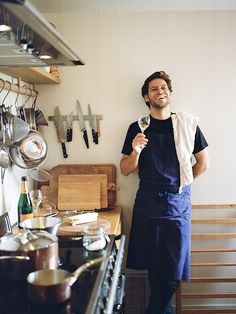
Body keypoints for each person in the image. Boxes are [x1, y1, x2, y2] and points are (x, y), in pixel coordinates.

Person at [120, 71, 209, 314]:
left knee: (171, 271)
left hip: (177, 205)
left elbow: (203, 163)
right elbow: (125, 169)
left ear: (170, 92)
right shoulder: (137, 128)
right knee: (154, 269)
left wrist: (181, 185)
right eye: (154, 89)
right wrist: (136, 150)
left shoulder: (187, 125)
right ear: (146, 97)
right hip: (147, 203)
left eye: (164, 88)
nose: (161, 92)